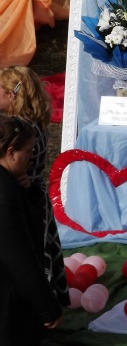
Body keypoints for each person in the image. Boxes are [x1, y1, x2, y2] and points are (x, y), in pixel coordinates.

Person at [0, 66, 70, 307]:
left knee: (28, 253)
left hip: (22, 195)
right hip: (37, 192)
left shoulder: (19, 129)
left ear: (11, 94)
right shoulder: (36, 120)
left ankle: (37, 301)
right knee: (42, 245)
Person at [0, 115, 63, 345]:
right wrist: (48, 306)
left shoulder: (12, 183)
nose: (31, 158)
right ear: (11, 153)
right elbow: (19, 259)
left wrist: (29, 192)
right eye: (28, 151)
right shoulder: (5, 193)